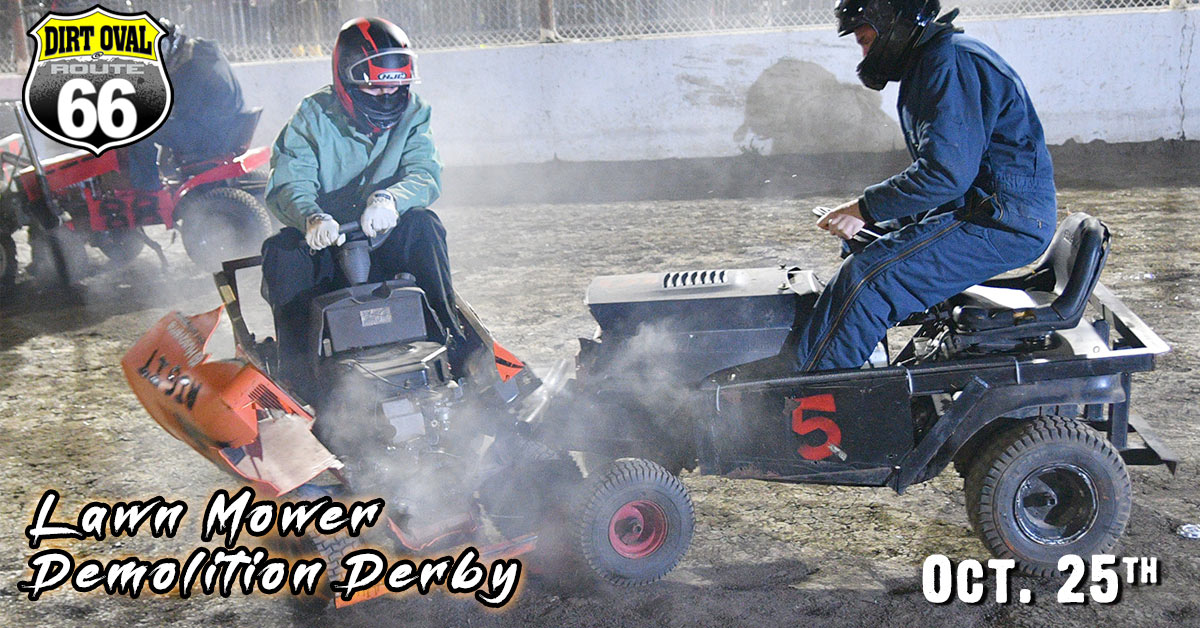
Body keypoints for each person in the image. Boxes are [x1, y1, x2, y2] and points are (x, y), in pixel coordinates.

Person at [787, 0, 1058, 372]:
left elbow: (945, 175)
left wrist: (862, 209)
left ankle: (808, 399)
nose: (865, 53)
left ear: (893, 25)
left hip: (1003, 220)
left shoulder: (950, 64)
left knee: (869, 281)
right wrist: (876, 220)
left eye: (865, 40)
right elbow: (951, 176)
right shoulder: (933, 62)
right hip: (982, 207)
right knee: (865, 250)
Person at [260, 16, 456, 394]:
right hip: (326, 247)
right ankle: (299, 381)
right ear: (347, 83)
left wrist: (390, 199)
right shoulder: (312, 116)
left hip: (385, 241)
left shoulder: (415, 113)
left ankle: (453, 342)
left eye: (394, 89)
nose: (386, 98)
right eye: (375, 90)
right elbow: (289, 181)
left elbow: (425, 172)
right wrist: (311, 217)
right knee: (280, 252)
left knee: (425, 226)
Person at [124, 18, 248, 190]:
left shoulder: (193, 68)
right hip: (224, 128)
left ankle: (148, 192)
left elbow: (174, 110)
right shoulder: (205, 54)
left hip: (210, 135)